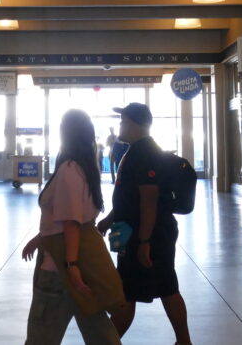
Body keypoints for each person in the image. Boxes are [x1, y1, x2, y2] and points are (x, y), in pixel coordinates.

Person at [20, 110, 121, 345]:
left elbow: (71, 222)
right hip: (81, 263)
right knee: (99, 332)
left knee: (41, 335)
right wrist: (40, 238)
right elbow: (73, 216)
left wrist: (71, 267)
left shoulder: (69, 169)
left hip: (59, 267)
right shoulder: (87, 167)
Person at [96, 103, 192, 345]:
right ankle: (184, 342)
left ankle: (107, 341)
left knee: (131, 293)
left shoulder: (144, 154)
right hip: (145, 232)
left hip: (148, 235)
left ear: (133, 124)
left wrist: (144, 242)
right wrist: (108, 220)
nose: (120, 126)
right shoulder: (136, 151)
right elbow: (130, 197)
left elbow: (148, 201)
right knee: (163, 287)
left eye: (123, 121)